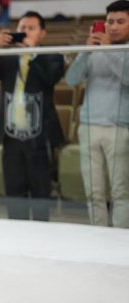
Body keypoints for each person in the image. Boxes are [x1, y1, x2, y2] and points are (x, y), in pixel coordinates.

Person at [0, 11, 65, 221]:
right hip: (11, 136)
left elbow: (51, 77)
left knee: (40, 196)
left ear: (42, 33)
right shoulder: (7, 56)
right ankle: (16, 237)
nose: (25, 32)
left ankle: (41, 237)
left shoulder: (52, 56)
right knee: (14, 195)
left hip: (40, 138)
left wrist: (32, 53)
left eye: (31, 28)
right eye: (21, 28)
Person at [65, 0, 129, 228]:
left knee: (121, 191)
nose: (113, 27)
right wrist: (86, 52)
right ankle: (98, 237)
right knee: (93, 192)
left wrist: (108, 49)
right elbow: (71, 79)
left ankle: (121, 239)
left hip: (119, 128)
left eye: (120, 22)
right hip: (89, 127)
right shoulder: (94, 49)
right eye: (110, 22)